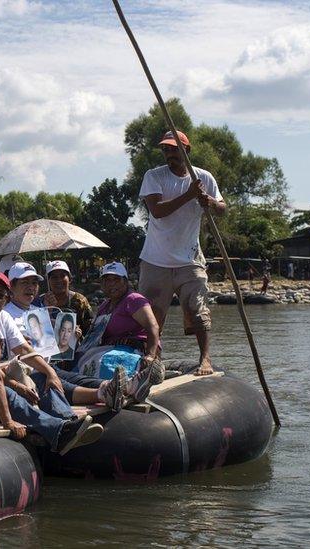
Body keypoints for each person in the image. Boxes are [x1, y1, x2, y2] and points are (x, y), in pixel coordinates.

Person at [0, 276, 104, 455]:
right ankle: (58, 432)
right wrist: (18, 387)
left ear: (6, 298)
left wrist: (49, 373)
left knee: (43, 377)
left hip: (3, 377)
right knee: (8, 392)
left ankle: (68, 422)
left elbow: (23, 349)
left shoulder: (3, 316)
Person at [138, 130, 226, 376]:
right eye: (165, 150)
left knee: (198, 310)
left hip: (190, 259)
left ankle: (205, 359)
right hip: (156, 260)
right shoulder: (154, 176)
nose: (169, 154)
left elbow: (222, 208)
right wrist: (188, 195)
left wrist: (208, 201)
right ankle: (154, 361)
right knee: (152, 316)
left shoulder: (204, 178)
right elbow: (156, 210)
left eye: (174, 149)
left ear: (186, 150)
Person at [0, 267, 102, 406]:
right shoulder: (5, 314)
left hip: (48, 366)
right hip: (27, 372)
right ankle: (102, 394)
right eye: (25, 283)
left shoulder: (37, 311)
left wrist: (68, 337)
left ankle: (112, 386)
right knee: (55, 383)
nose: (31, 287)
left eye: (34, 283)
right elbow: (17, 350)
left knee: (78, 378)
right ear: (12, 287)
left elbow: (50, 350)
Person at [76, 262, 165, 411]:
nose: (111, 284)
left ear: (125, 281)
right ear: (102, 284)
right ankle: (104, 391)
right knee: (82, 362)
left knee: (107, 362)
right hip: (109, 348)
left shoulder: (133, 299)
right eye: (107, 280)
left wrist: (150, 355)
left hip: (134, 348)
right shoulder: (105, 305)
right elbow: (96, 334)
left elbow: (153, 326)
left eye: (116, 279)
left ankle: (131, 386)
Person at [36, 260, 93, 335]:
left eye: (62, 276)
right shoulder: (40, 302)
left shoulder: (80, 301)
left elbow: (90, 329)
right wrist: (47, 311)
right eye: (54, 277)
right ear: (48, 281)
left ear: (70, 279)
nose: (59, 280)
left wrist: (79, 334)